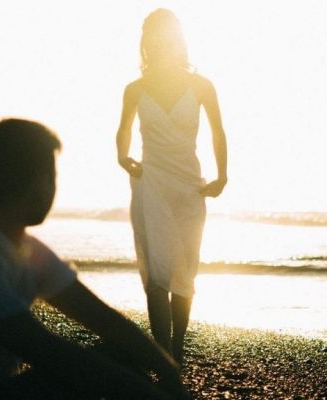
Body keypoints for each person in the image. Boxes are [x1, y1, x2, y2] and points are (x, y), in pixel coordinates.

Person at [0, 118, 191, 400]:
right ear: (34, 180)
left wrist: (167, 368)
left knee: (119, 353)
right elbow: (47, 351)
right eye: (51, 176)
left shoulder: (22, 247)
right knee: (91, 371)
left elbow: (102, 318)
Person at [116, 8, 228, 366]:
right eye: (154, 35)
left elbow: (218, 131)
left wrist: (222, 175)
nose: (161, 42)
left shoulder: (201, 85)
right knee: (157, 270)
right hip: (151, 183)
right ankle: (163, 355)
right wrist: (122, 156)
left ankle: (177, 349)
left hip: (190, 186)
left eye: (167, 34)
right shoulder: (134, 89)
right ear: (147, 42)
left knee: (185, 271)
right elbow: (123, 129)